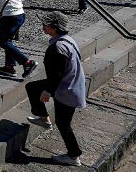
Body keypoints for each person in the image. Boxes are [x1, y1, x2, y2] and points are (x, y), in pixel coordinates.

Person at [25, 11, 87, 166]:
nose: (43, 27)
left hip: (67, 89)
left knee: (63, 124)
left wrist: (48, 91)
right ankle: (44, 119)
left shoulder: (57, 47)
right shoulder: (67, 40)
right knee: (32, 87)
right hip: (72, 85)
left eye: (45, 25)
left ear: (54, 27)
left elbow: (57, 74)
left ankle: (74, 156)